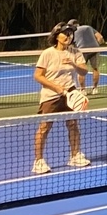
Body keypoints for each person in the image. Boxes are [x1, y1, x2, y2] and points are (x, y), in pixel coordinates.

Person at [32, 22, 91, 175]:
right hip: (51, 96)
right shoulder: (48, 53)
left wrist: (73, 63)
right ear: (57, 36)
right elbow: (38, 76)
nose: (68, 36)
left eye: (70, 34)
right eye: (65, 33)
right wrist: (57, 88)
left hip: (70, 95)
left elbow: (84, 72)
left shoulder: (75, 52)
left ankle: (75, 156)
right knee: (44, 128)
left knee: (73, 125)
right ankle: (38, 161)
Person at [69, 19, 104, 95]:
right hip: (95, 49)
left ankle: (83, 90)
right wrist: (98, 45)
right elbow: (100, 37)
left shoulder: (72, 32)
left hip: (82, 51)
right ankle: (95, 89)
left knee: (81, 70)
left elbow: (70, 44)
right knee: (95, 69)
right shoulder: (88, 27)